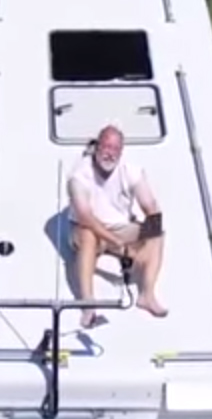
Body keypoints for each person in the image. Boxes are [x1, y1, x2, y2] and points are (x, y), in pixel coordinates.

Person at [68, 125, 168, 323]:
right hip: (87, 228)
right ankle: (88, 304)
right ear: (97, 147)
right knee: (88, 236)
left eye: (115, 149)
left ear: (121, 152)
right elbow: (85, 216)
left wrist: (149, 230)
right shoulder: (79, 175)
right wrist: (117, 243)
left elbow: (151, 206)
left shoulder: (131, 172)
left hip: (120, 228)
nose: (109, 153)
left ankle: (147, 294)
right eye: (106, 146)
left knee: (157, 232)